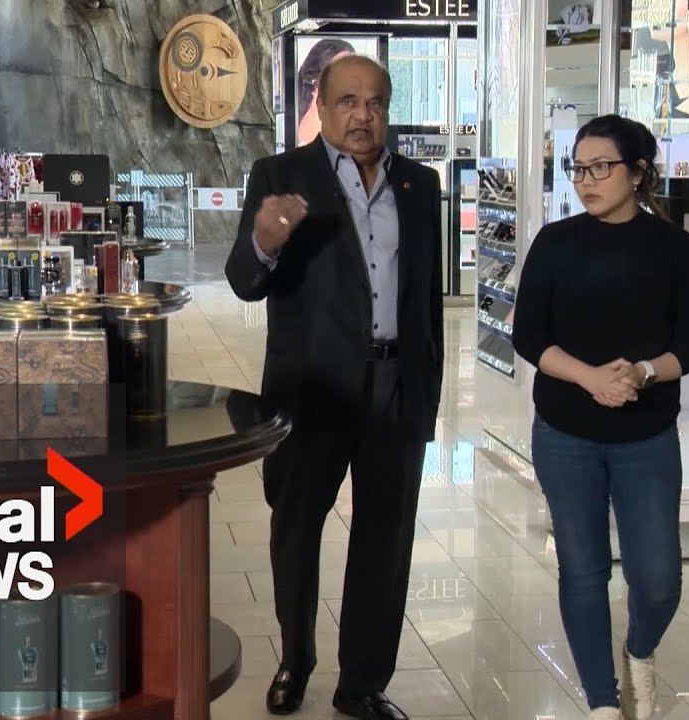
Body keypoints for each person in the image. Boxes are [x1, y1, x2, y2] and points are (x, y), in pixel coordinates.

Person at [225, 54, 445, 720]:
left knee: (385, 540)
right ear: (320, 106)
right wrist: (265, 242)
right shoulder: (280, 176)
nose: (363, 116)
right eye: (348, 101)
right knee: (296, 531)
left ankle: (362, 684)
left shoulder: (420, 184)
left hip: (396, 389)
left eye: (375, 102)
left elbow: (426, 298)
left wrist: (427, 393)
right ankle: (295, 661)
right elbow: (243, 280)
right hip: (312, 391)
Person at [510, 114, 689, 720]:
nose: (585, 181)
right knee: (583, 569)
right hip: (564, 432)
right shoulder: (555, 242)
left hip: (646, 435)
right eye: (577, 169)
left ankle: (639, 652)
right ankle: (602, 700)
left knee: (658, 579)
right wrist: (589, 377)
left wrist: (644, 372)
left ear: (638, 172)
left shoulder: (676, 249)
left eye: (600, 168)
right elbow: (529, 335)